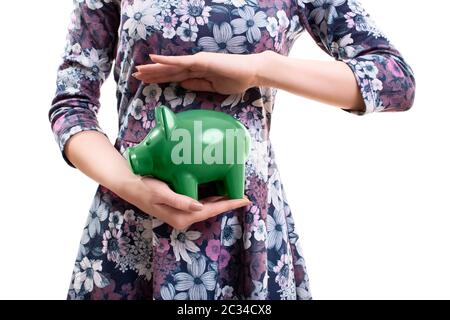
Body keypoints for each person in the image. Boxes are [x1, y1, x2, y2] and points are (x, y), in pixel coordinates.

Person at [49, 0, 415, 300]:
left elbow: (394, 80)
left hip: (243, 227)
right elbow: (71, 103)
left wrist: (262, 69)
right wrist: (130, 185)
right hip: (133, 224)